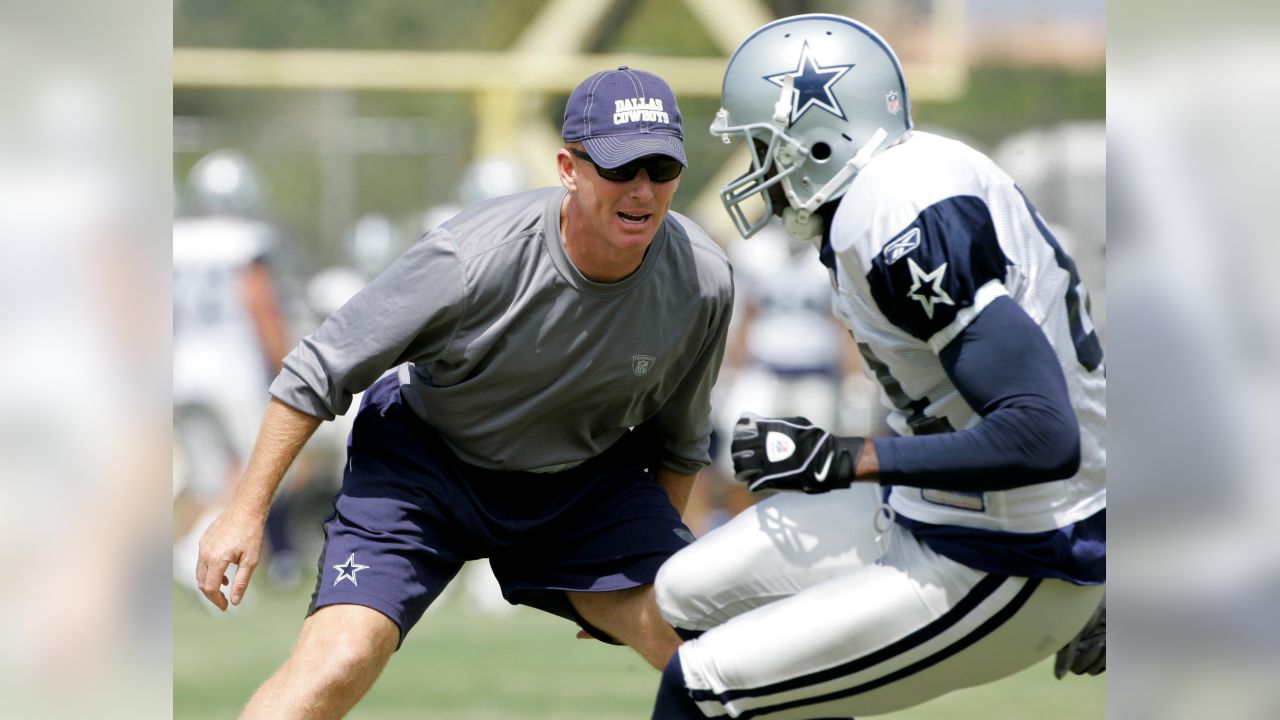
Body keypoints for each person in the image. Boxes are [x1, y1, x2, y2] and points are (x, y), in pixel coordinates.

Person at [196, 66, 733, 718]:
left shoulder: (702, 279)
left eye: (661, 167)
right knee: (336, 665)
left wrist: (649, 565)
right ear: (569, 167)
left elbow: (678, 440)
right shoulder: (469, 259)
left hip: (583, 485)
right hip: (426, 469)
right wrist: (245, 512)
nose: (643, 190)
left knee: (722, 656)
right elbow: (318, 369)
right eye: (621, 169)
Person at [650, 15, 1105, 719]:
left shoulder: (897, 216)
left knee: (701, 687)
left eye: (765, 144)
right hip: (938, 508)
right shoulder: (892, 186)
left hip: (1018, 545)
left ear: (818, 136)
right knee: (684, 591)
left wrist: (847, 457)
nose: (758, 166)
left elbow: (1043, 436)